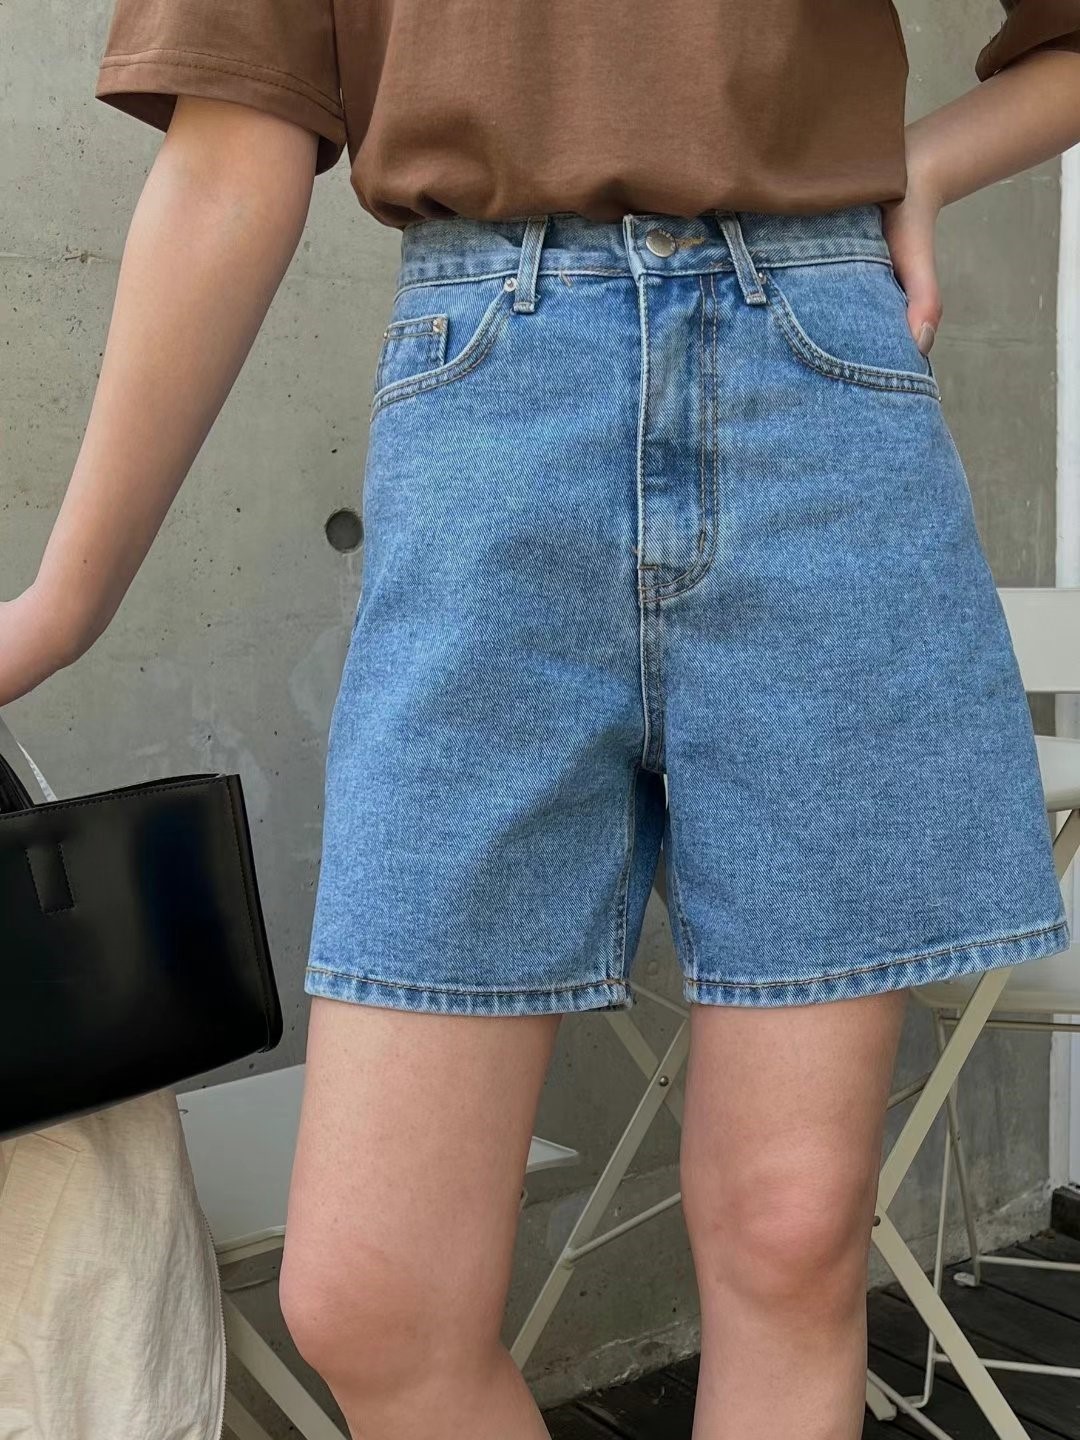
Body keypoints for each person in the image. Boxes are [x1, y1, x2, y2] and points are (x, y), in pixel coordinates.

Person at [3, 2, 1080, 1436]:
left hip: (816, 394)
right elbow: (228, 146)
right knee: (373, 1297)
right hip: (485, 421)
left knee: (788, 1237)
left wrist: (928, 161)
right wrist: (62, 606)